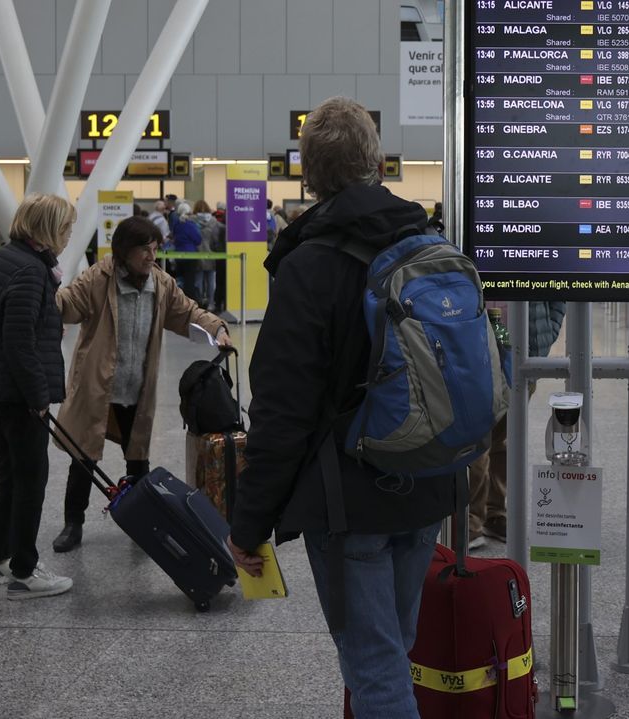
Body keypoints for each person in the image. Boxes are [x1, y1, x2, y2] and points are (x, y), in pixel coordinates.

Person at [227, 96, 454, 718]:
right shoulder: (426, 240)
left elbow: (282, 410)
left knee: (374, 665)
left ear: (309, 175)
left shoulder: (310, 264)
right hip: (431, 479)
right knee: (392, 650)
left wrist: (248, 524)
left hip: (351, 499)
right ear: (376, 162)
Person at [48, 216, 229, 552]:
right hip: (99, 387)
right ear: (123, 252)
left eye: (154, 247)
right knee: (83, 458)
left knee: (138, 461)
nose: (151, 255)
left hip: (137, 390)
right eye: (143, 249)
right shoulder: (99, 278)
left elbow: (188, 313)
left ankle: (144, 522)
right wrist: (46, 296)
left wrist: (216, 328)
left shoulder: (160, 284)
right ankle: (73, 523)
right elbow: (70, 303)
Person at [0, 193, 76, 600]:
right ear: (47, 229)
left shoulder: (4, 258)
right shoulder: (31, 271)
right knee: (32, 479)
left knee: (10, 474)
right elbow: (19, 343)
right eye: (65, 228)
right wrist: (39, 396)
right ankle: (25, 572)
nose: (68, 235)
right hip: (16, 393)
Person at [467, 299, 565, 549]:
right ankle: (470, 521)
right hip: (478, 346)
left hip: (523, 347)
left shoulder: (537, 258)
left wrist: (547, 331)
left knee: (505, 438)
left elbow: (558, 286)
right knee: (477, 440)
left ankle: (494, 513)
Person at [193, 200, 222, 310]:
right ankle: (211, 303)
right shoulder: (214, 221)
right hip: (212, 255)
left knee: (198, 281)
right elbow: (217, 238)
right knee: (211, 282)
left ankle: (199, 302)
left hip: (197, 254)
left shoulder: (192, 220)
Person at [171, 202, 202, 299]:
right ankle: (190, 303)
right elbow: (198, 240)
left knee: (180, 279)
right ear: (189, 213)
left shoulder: (176, 225)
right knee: (189, 281)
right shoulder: (190, 225)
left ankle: (178, 300)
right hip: (190, 255)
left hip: (178, 255)